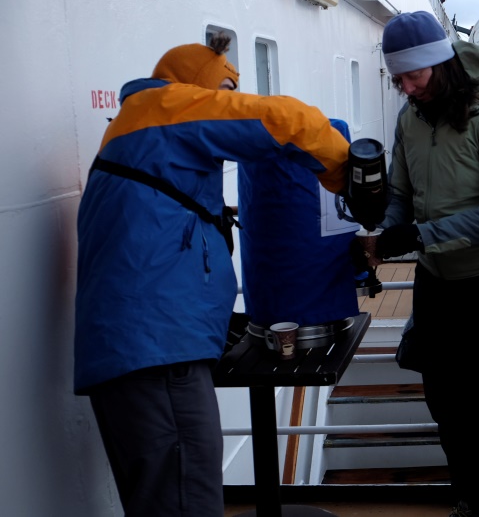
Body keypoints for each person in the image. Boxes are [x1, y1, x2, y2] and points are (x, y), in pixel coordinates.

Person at [74, 33, 351, 517]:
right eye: (223, 91)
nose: (226, 103)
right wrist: (348, 177)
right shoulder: (165, 108)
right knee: (187, 497)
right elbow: (289, 120)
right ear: (194, 86)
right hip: (158, 354)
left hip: (138, 350)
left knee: (164, 498)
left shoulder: (139, 130)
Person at [374, 11, 479, 517]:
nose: (408, 88)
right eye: (399, 79)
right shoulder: (409, 118)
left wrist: (420, 236)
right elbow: (400, 192)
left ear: (442, 64)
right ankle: (474, 499)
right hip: (439, 282)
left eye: (415, 76)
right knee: (447, 403)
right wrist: (384, 234)